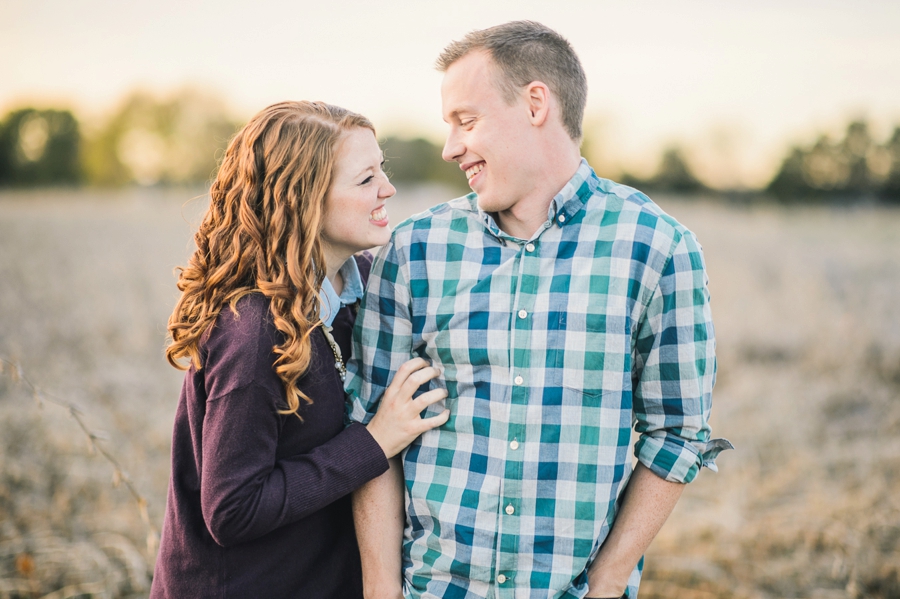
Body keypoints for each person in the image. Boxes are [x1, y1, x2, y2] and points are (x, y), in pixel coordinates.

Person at [347, 21, 732, 599]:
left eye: (466, 121)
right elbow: (371, 432)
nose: (451, 148)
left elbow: (677, 434)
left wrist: (606, 581)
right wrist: (381, 590)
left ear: (534, 104)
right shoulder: (415, 249)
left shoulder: (659, 249)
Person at [150, 101, 449, 599]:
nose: (388, 189)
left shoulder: (371, 289)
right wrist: (375, 442)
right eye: (365, 179)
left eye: (383, 170)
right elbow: (232, 510)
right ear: (304, 199)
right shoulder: (252, 332)